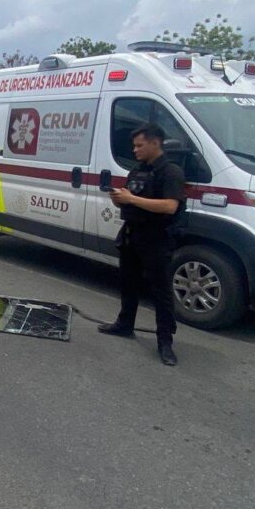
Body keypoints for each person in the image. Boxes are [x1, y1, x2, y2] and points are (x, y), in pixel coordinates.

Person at [98, 123, 187, 366]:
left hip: (157, 239)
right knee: (128, 284)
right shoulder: (137, 171)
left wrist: (132, 198)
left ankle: (165, 342)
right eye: (134, 146)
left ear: (155, 143)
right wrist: (119, 200)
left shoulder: (171, 172)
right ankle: (125, 324)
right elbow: (130, 202)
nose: (135, 150)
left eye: (139, 145)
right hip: (132, 236)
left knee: (161, 293)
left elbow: (170, 206)